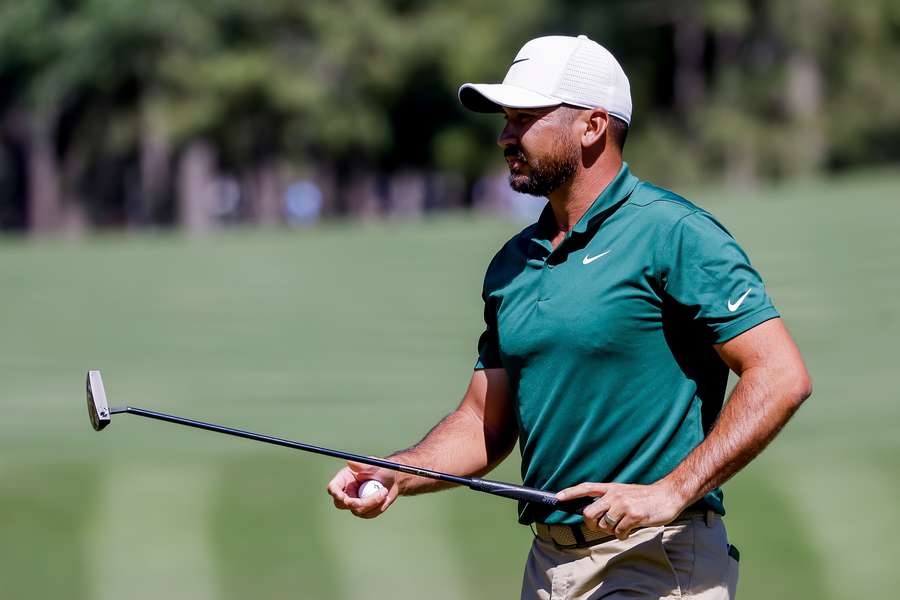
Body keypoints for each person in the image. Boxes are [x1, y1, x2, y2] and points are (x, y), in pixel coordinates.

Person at [327, 34, 811, 599]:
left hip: (655, 559)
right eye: (506, 119)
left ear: (593, 126)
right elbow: (483, 423)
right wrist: (397, 472)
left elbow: (780, 375)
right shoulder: (512, 264)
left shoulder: (672, 232)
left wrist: (670, 492)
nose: (507, 135)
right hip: (549, 569)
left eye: (526, 117)